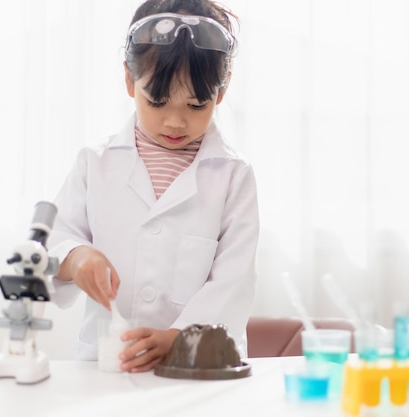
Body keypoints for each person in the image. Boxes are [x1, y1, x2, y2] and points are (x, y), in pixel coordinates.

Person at [47, 0, 259, 373]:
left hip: (199, 368)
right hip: (106, 366)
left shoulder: (233, 175)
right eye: (157, 101)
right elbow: (54, 239)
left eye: (197, 105)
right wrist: (77, 258)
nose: (175, 121)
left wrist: (181, 339)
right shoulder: (95, 163)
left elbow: (234, 279)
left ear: (221, 93)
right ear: (130, 81)